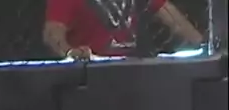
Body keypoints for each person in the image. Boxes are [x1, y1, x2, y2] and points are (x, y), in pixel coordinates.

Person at [43, 0, 203, 58]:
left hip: (134, 70)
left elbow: (173, 19)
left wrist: (202, 45)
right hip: (92, 76)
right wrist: (70, 53)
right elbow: (52, 33)